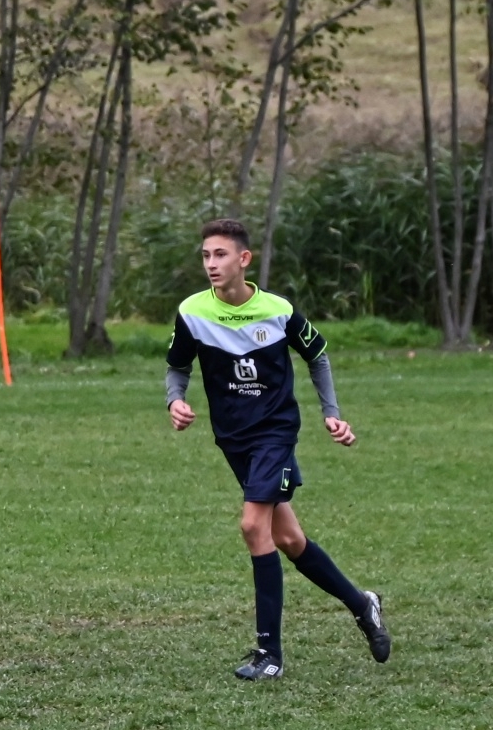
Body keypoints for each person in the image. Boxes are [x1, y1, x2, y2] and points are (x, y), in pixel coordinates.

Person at [167, 218, 391, 680]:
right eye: (206, 255)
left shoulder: (277, 310)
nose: (211, 263)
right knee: (288, 539)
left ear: (244, 259)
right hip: (232, 438)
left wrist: (331, 412)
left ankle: (269, 653)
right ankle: (362, 603)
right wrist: (176, 400)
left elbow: (317, 355)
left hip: (275, 432)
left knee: (253, 526)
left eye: (220, 254)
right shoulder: (192, 311)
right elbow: (177, 366)